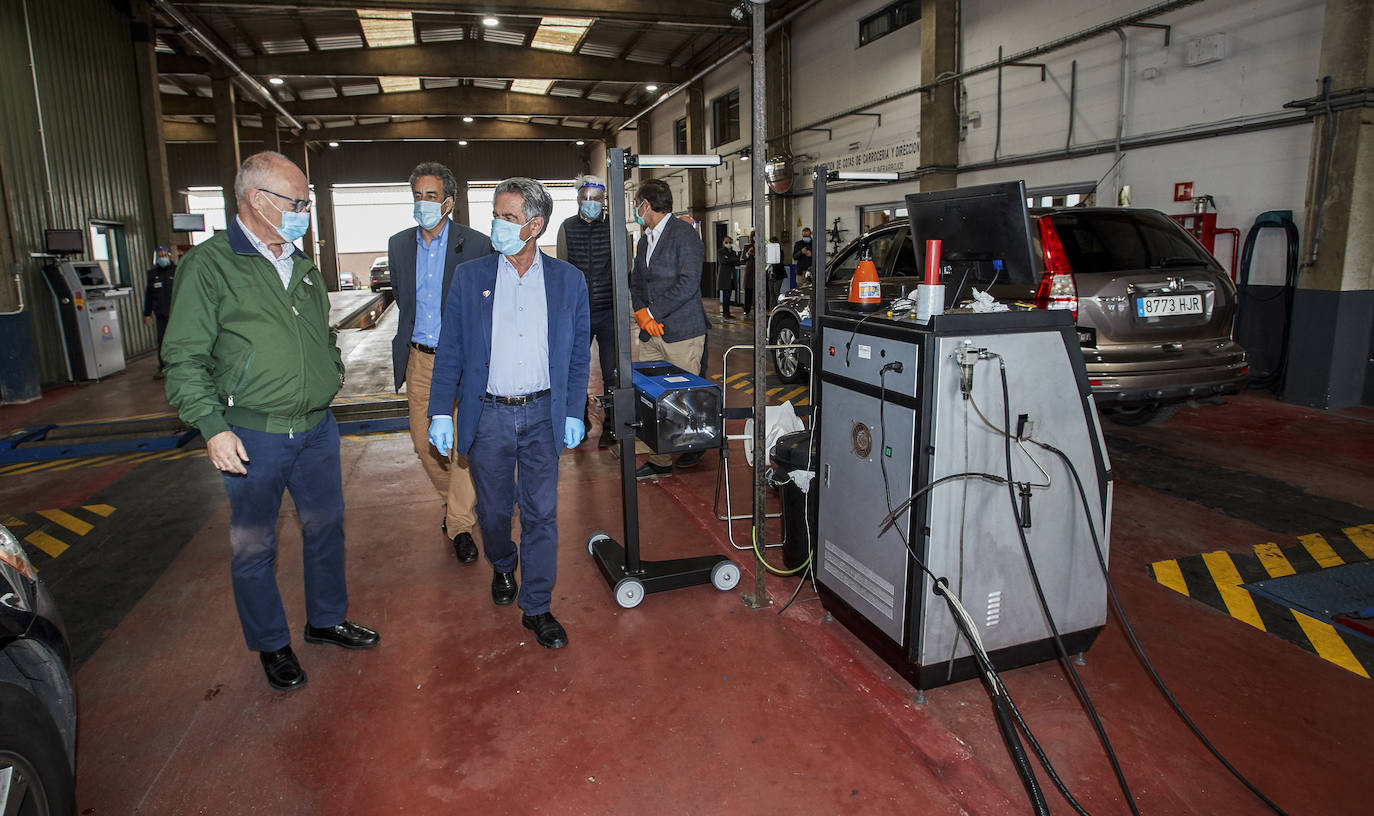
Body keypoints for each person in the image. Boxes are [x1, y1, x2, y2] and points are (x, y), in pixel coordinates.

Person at [162, 151, 378, 693]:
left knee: (326, 527)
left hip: (315, 427)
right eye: (298, 202)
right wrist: (212, 426)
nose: (304, 211)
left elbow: (319, 335)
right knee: (254, 545)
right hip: (252, 433)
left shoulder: (298, 261)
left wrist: (326, 370)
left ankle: (326, 619)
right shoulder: (209, 265)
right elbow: (184, 356)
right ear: (257, 200)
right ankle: (271, 643)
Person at [427, 177, 590, 650]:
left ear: (535, 226)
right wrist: (441, 410)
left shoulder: (567, 281)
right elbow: (451, 349)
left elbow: (578, 351)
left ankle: (537, 606)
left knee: (541, 513)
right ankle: (502, 563)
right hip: (490, 415)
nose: (496, 225)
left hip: (542, 413)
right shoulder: (471, 277)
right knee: (495, 512)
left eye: (508, 218)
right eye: (495, 215)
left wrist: (573, 408)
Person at [387, 162, 494, 565]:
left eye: (430, 196)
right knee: (424, 443)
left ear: (448, 202)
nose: (422, 203)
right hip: (419, 359)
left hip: (464, 361)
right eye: (417, 195)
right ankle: (459, 505)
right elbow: (404, 298)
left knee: (462, 445)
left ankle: (460, 524)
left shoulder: (478, 244)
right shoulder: (399, 245)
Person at [629, 178, 709, 478]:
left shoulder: (684, 234)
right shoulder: (644, 239)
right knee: (653, 399)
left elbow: (689, 282)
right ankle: (659, 461)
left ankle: (695, 445)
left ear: (645, 205)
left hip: (681, 332)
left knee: (686, 397)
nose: (637, 209)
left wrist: (652, 311)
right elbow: (637, 279)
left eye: (637, 204)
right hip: (651, 334)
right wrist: (640, 312)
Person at [555, 174, 623, 448]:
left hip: (608, 312)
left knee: (613, 373)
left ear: (604, 201)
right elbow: (562, 269)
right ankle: (579, 421)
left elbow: (622, 270)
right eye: (587, 198)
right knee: (575, 369)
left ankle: (612, 426)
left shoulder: (615, 228)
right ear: (579, 199)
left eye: (597, 199)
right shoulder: (567, 228)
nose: (592, 203)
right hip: (578, 314)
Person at [142, 246, 176, 379]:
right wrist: (147, 313)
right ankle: (163, 367)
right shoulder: (152, 274)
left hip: (176, 315)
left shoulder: (176, 271)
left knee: (178, 341)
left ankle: (179, 366)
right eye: (159, 255)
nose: (162, 257)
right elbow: (149, 295)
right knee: (162, 341)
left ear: (169, 255)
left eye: (164, 254)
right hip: (161, 315)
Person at [716, 236, 739, 319]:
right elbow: (723, 261)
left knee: (729, 295)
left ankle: (727, 312)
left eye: (729, 242)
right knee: (725, 295)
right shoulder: (720, 251)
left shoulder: (733, 252)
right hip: (724, 277)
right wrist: (731, 260)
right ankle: (726, 312)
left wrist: (729, 259)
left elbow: (737, 261)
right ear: (723, 243)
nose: (728, 244)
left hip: (731, 276)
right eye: (726, 242)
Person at [741, 230, 757, 317]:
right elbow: (743, 258)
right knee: (748, 290)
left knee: (757, 291)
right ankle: (746, 309)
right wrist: (748, 253)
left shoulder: (760, 245)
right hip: (749, 271)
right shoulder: (747, 246)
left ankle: (757, 308)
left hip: (758, 272)